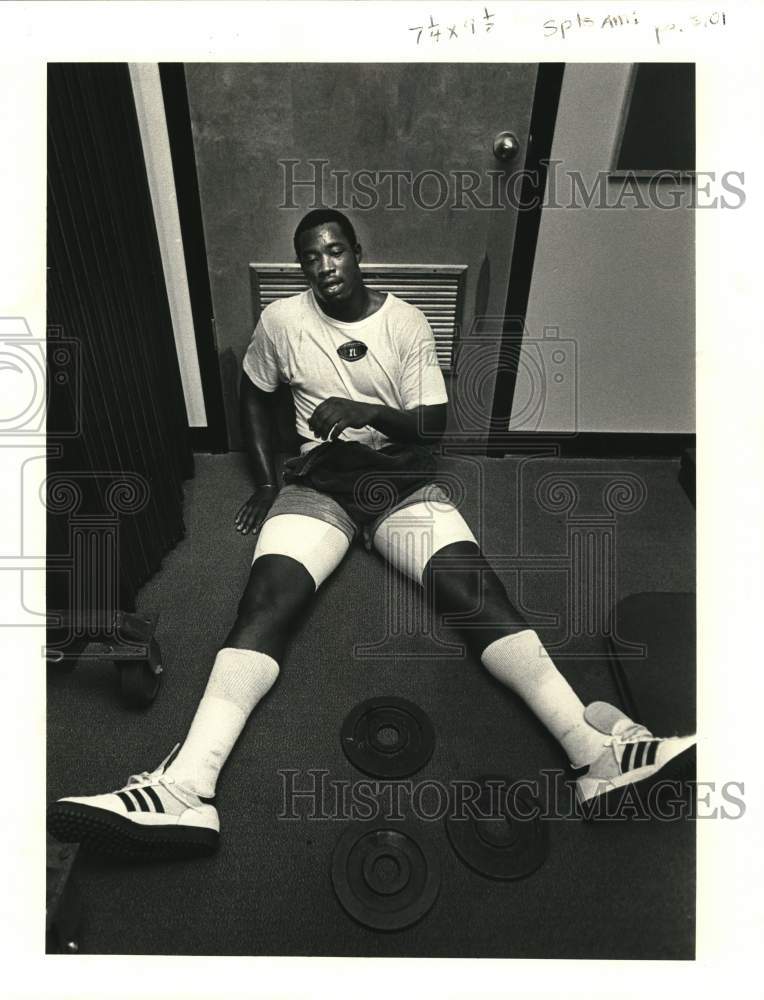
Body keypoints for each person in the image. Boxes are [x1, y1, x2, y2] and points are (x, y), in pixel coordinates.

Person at [48, 209, 696, 858]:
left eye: (335, 251)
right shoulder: (281, 322)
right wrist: (272, 481)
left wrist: (364, 411)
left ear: (357, 253)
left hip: (396, 481)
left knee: (475, 593)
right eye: (310, 257)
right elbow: (253, 394)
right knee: (267, 602)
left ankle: (596, 757)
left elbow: (433, 426)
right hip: (318, 483)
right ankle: (186, 790)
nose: (325, 266)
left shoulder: (405, 322)